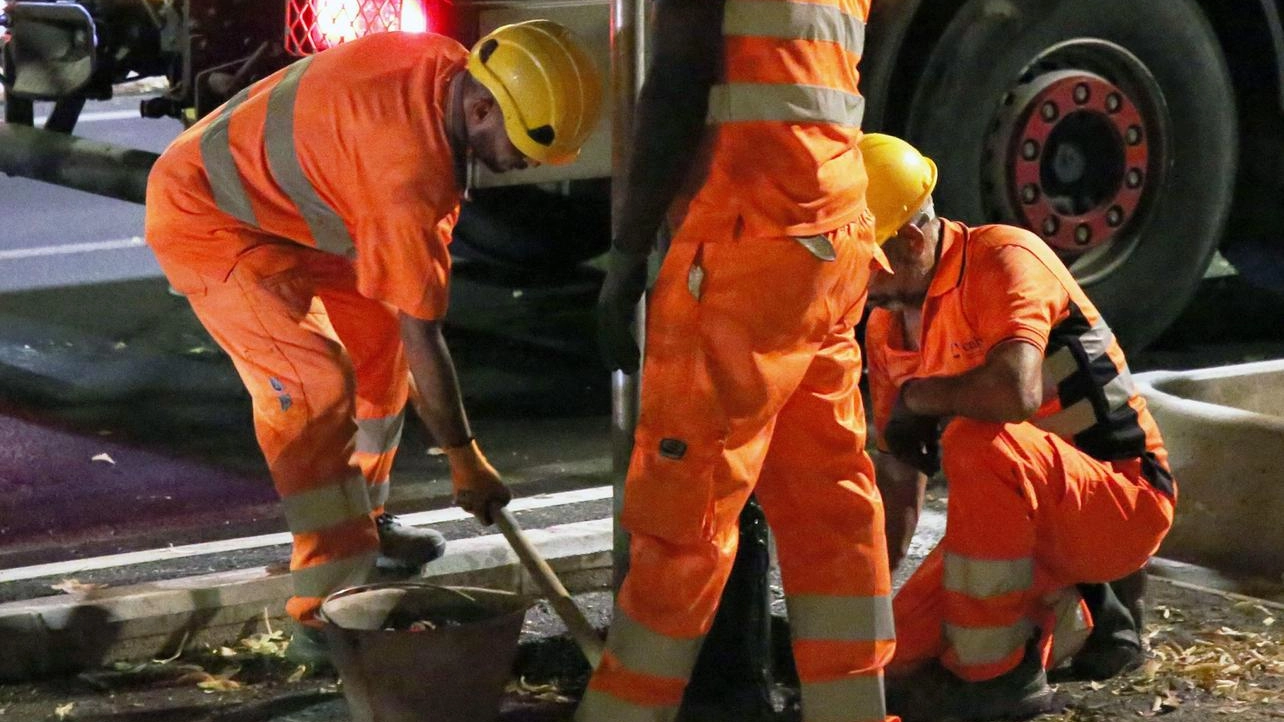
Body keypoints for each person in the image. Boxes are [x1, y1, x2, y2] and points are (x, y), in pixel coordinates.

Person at [144, 21, 602, 663]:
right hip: (211, 217)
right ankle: (324, 604)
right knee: (315, 387)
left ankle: (370, 525)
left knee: (379, 342)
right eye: (522, 144)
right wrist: (463, 456)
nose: (527, 165)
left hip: (298, 212)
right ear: (479, 106)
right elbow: (428, 334)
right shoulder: (407, 177)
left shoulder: (446, 66)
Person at [587, 0, 897, 719]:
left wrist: (628, 251)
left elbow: (678, 79)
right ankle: (853, 708)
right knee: (833, 505)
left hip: (744, 241)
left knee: (683, 515)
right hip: (832, 230)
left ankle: (622, 712)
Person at [859, 133, 1177, 722]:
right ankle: (1077, 612)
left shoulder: (1004, 257)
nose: (853, 284)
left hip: (1121, 504)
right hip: (1025, 523)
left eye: (862, 261)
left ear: (907, 241)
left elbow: (1014, 392)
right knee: (889, 660)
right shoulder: (886, 329)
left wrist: (918, 396)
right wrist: (862, 617)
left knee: (976, 438)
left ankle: (996, 678)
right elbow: (901, 481)